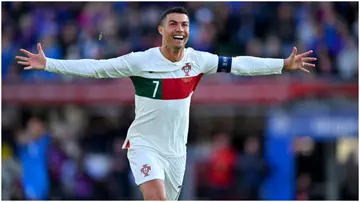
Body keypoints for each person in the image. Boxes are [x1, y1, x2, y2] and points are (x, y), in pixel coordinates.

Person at [15, 6, 316, 200]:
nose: (180, 29)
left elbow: (239, 64)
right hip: (144, 146)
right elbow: (95, 68)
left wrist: (282, 64)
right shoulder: (141, 60)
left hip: (176, 152)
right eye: (173, 24)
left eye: (184, 24)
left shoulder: (199, 60)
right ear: (161, 30)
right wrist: (49, 64)